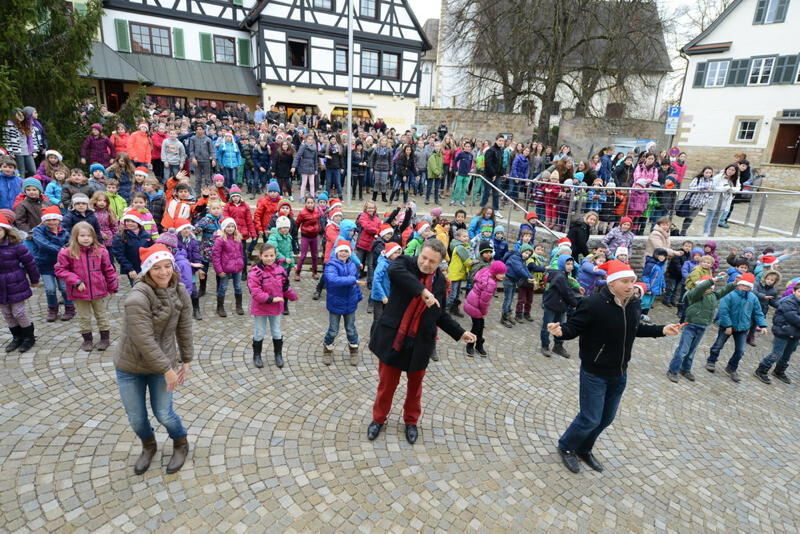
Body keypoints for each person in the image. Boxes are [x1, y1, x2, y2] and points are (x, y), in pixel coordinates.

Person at [549, 260, 681, 473]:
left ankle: (585, 448)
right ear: (611, 284)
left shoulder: (634, 304)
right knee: (590, 418)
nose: (631, 286)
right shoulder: (593, 304)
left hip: (619, 373)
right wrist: (560, 331)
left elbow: (635, 328)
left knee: (606, 419)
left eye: (632, 281)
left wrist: (662, 329)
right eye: (625, 282)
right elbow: (573, 327)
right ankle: (566, 446)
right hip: (594, 373)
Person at [367, 240, 475, 444]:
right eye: (424, 258)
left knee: (415, 388)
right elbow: (396, 272)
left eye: (432, 262)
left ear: (440, 263)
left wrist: (460, 333)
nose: (426, 263)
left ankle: (411, 421)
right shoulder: (404, 263)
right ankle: (378, 419)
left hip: (420, 342)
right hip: (395, 338)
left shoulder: (440, 282)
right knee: (387, 385)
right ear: (419, 254)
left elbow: (439, 313)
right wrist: (422, 291)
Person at [114, 243, 194, 475]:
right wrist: (167, 369)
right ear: (147, 271)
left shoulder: (180, 291)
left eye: (167, 266)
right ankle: (148, 446)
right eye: (156, 267)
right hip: (131, 367)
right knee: (137, 418)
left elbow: (184, 327)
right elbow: (144, 340)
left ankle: (180, 442)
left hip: (163, 362)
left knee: (164, 414)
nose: (163, 272)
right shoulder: (137, 298)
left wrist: (186, 359)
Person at [54, 222, 118, 351]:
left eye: (89, 235)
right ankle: (87, 340)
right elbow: (60, 270)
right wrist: (76, 281)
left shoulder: (101, 251)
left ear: (93, 236)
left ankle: (105, 338)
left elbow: (109, 270)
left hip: (98, 290)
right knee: (84, 317)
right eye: (82, 235)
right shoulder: (67, 252)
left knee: (101, 315)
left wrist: (112, 286)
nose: (86, 238)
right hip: (79, 292)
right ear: (75, 236)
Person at [667, 274, 733, 382]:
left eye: (711, 287)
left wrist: (734, 284)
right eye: (707, 287)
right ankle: (673, 370)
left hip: (703, 327)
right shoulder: (695, 294)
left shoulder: (713, 295)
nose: (709, 289)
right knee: (683, 350)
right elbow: (700, 288)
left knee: (692, 351)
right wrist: (711, 280)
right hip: (691, 325)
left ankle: (685, 369)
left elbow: (724, 291)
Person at [705, 273, 767, 382]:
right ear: (739, 285)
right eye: (743, 285)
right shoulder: (730, 295)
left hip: (742, 328)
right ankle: (711, 360)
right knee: (718, 345)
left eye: (747, 286)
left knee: (740, 350)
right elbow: (723, 311)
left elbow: (758, 312)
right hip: (727, 326)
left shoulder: (753, 298)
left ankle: (732, 367)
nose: (745, 288)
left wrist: (763, 325)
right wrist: (728, 325)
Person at [248, 243, 298, 369]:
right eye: (266, 256)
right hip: (261, 308)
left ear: (276, 256)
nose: (269, 258)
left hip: (275, 309)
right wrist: (272, 299)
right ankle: (257, 355)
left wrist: (292, 296)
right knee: (259, 332)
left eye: (272, 255)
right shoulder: (255, 272)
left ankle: (278, 354)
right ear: (260, 256)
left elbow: (285, 286)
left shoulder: (280, 270)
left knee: (276, 331)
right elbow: (256, 292)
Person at [0, 215, 40, 353]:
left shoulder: (16, 246)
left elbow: (30, 263)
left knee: (18, 312)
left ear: (6, 230)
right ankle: (17, 337)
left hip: (16, 283)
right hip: (0, 287)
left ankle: (29, 337)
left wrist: (34, 280)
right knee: (7, 313)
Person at [322, 239, 363, 366]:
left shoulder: (352, 266)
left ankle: (354, 350)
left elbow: (356, 284)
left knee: (351, 329)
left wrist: (358, 296)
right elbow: (333, 280)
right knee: (333, 329)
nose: (344, 253)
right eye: (341, 251)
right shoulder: (331, 265)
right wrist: (352, 280)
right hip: (335, 302)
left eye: (346, 251)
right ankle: (328, 348)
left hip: (350, 303)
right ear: (337, 252)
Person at [31, 206, 74, 322]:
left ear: (59, 220)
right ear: (44, 220)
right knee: (50, 289)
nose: (51, 222)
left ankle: (70, 308)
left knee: (64, 288)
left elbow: (70, 244)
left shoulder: (65, 232)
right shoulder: (38, 231)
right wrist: (60, 249)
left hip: (62, 265)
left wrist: (65, 250)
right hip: (45, 264)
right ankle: (52, 309)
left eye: (54, 219)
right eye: (48, 220)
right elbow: (42, 243)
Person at [754, 284, 800, 384]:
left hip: (795, 333)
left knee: (787, 354)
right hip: (783, 331)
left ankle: (779, 371)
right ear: (794, 291)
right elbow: (793, 318)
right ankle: (761, 370)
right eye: (799, 292)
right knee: (777, 354)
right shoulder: (788, 302)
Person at [464, 260, 507, 356]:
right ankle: (470, 345)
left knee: (480, 325)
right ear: (495, 272)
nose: (504, 275)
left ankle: (479, 345)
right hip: (475, 306)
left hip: (473, 302)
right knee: (477, 327)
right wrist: (483, 312)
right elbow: (484, 302)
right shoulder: (490, 284)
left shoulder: (488, 273)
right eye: (502, 273)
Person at [540, 255, 579, 358]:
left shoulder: (565, 275)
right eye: (568, 264)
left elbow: (568, 289)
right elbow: (566, 292)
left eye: (572, 264)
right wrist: (575, 304)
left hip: (561, 306)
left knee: (560, 326)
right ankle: (545, 345)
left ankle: (558, 346)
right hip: (552, 305)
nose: (570, 266)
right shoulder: (559, 276)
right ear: (562, 264)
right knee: (547, 326)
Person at [212, 217, 245, 317]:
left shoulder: (238, 238)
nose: (230, 229)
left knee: (238, 287)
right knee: (223, 287)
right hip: (225, 269)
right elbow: (216, 256)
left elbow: (241, 253)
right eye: (228, 227)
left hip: (237, 268)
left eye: (232, 226)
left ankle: (238, 306)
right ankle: (220, 307)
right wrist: (219, 270)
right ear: (224, 228)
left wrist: (241, 264)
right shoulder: (220, 240)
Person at [480, 135, 505, 213]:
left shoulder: (501, 150)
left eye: (502, 141)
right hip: (488, 175)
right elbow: (488, 163)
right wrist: (493, 174)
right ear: (496, 140)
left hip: (497, 175)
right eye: (500, 140)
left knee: (496, 193)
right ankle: (482, 206)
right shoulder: (490, 150)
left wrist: (502, 173)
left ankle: (496, 209)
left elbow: (500, 163)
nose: (501, 142)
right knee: (487, 192)